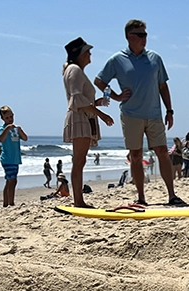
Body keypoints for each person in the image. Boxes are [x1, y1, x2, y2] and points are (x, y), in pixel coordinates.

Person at [94, 19, 184, 206]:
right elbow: (99, 81)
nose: (145, 38)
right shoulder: (117, 59)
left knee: (162, 152)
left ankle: (172, 195)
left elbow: (163, 86)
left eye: (146, 34)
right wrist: (116, 96)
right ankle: (141, 197)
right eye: (140, 35)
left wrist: (170, 110)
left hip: (154, 114)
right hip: (130, 114)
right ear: (129, 37)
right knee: (135, 155)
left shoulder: (155, 58)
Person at [62, 37, 115, 208]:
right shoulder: (74, 70)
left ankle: (79, 199)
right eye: (87, 51)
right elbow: (76, 99)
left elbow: (79, 98)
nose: (90, 54)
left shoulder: (75, 70)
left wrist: (96, 103)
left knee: (80, 160)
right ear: (80, 54)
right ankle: (78, 201)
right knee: (79, 161)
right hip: (79, 118)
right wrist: (101, 115)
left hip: (82, 116)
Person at [0, 105, 28, 207]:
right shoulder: (2, 128)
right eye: (7, 118)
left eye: (11, 117)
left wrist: (20, 130)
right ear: (2, 118)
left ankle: (6, 203)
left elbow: (25, 138)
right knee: (12, 180)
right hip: (7, 159)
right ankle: (10, 202)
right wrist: (6, 129)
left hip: (15, 159)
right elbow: (0, 139)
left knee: (10, 181)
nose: (10, 119)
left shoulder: (15, 129)